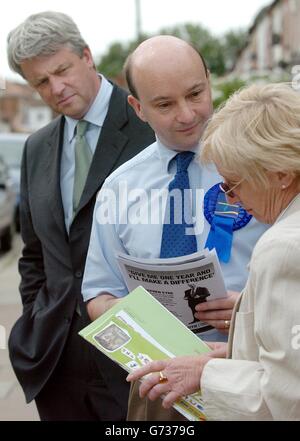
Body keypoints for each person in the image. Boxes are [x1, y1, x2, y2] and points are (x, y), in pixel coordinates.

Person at [81, 35, 267, 420]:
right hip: (160, 390)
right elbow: (99, 294)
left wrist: (250, 312)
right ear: (138, 108)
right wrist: (135, 318)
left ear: (209, 80)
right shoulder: (119, 187)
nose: (187, 114)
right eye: (165, 104)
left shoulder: (266, 165)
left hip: (253, 374)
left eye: (196, 94)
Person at [6, 11, 154, 421]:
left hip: (134, 359)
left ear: (87, 56)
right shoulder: (37, 147)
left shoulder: (149, 125)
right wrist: (32, 323)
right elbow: (34, 253)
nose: (55, 89)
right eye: (40, 82)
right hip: (55, 360)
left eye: (61, 71)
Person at [127, 82, 300, 421]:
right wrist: (235, 354)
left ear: (280, 173)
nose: (232, 199)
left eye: (233, 184)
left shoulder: (282, 247)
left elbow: (286, 399)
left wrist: (205, 375)